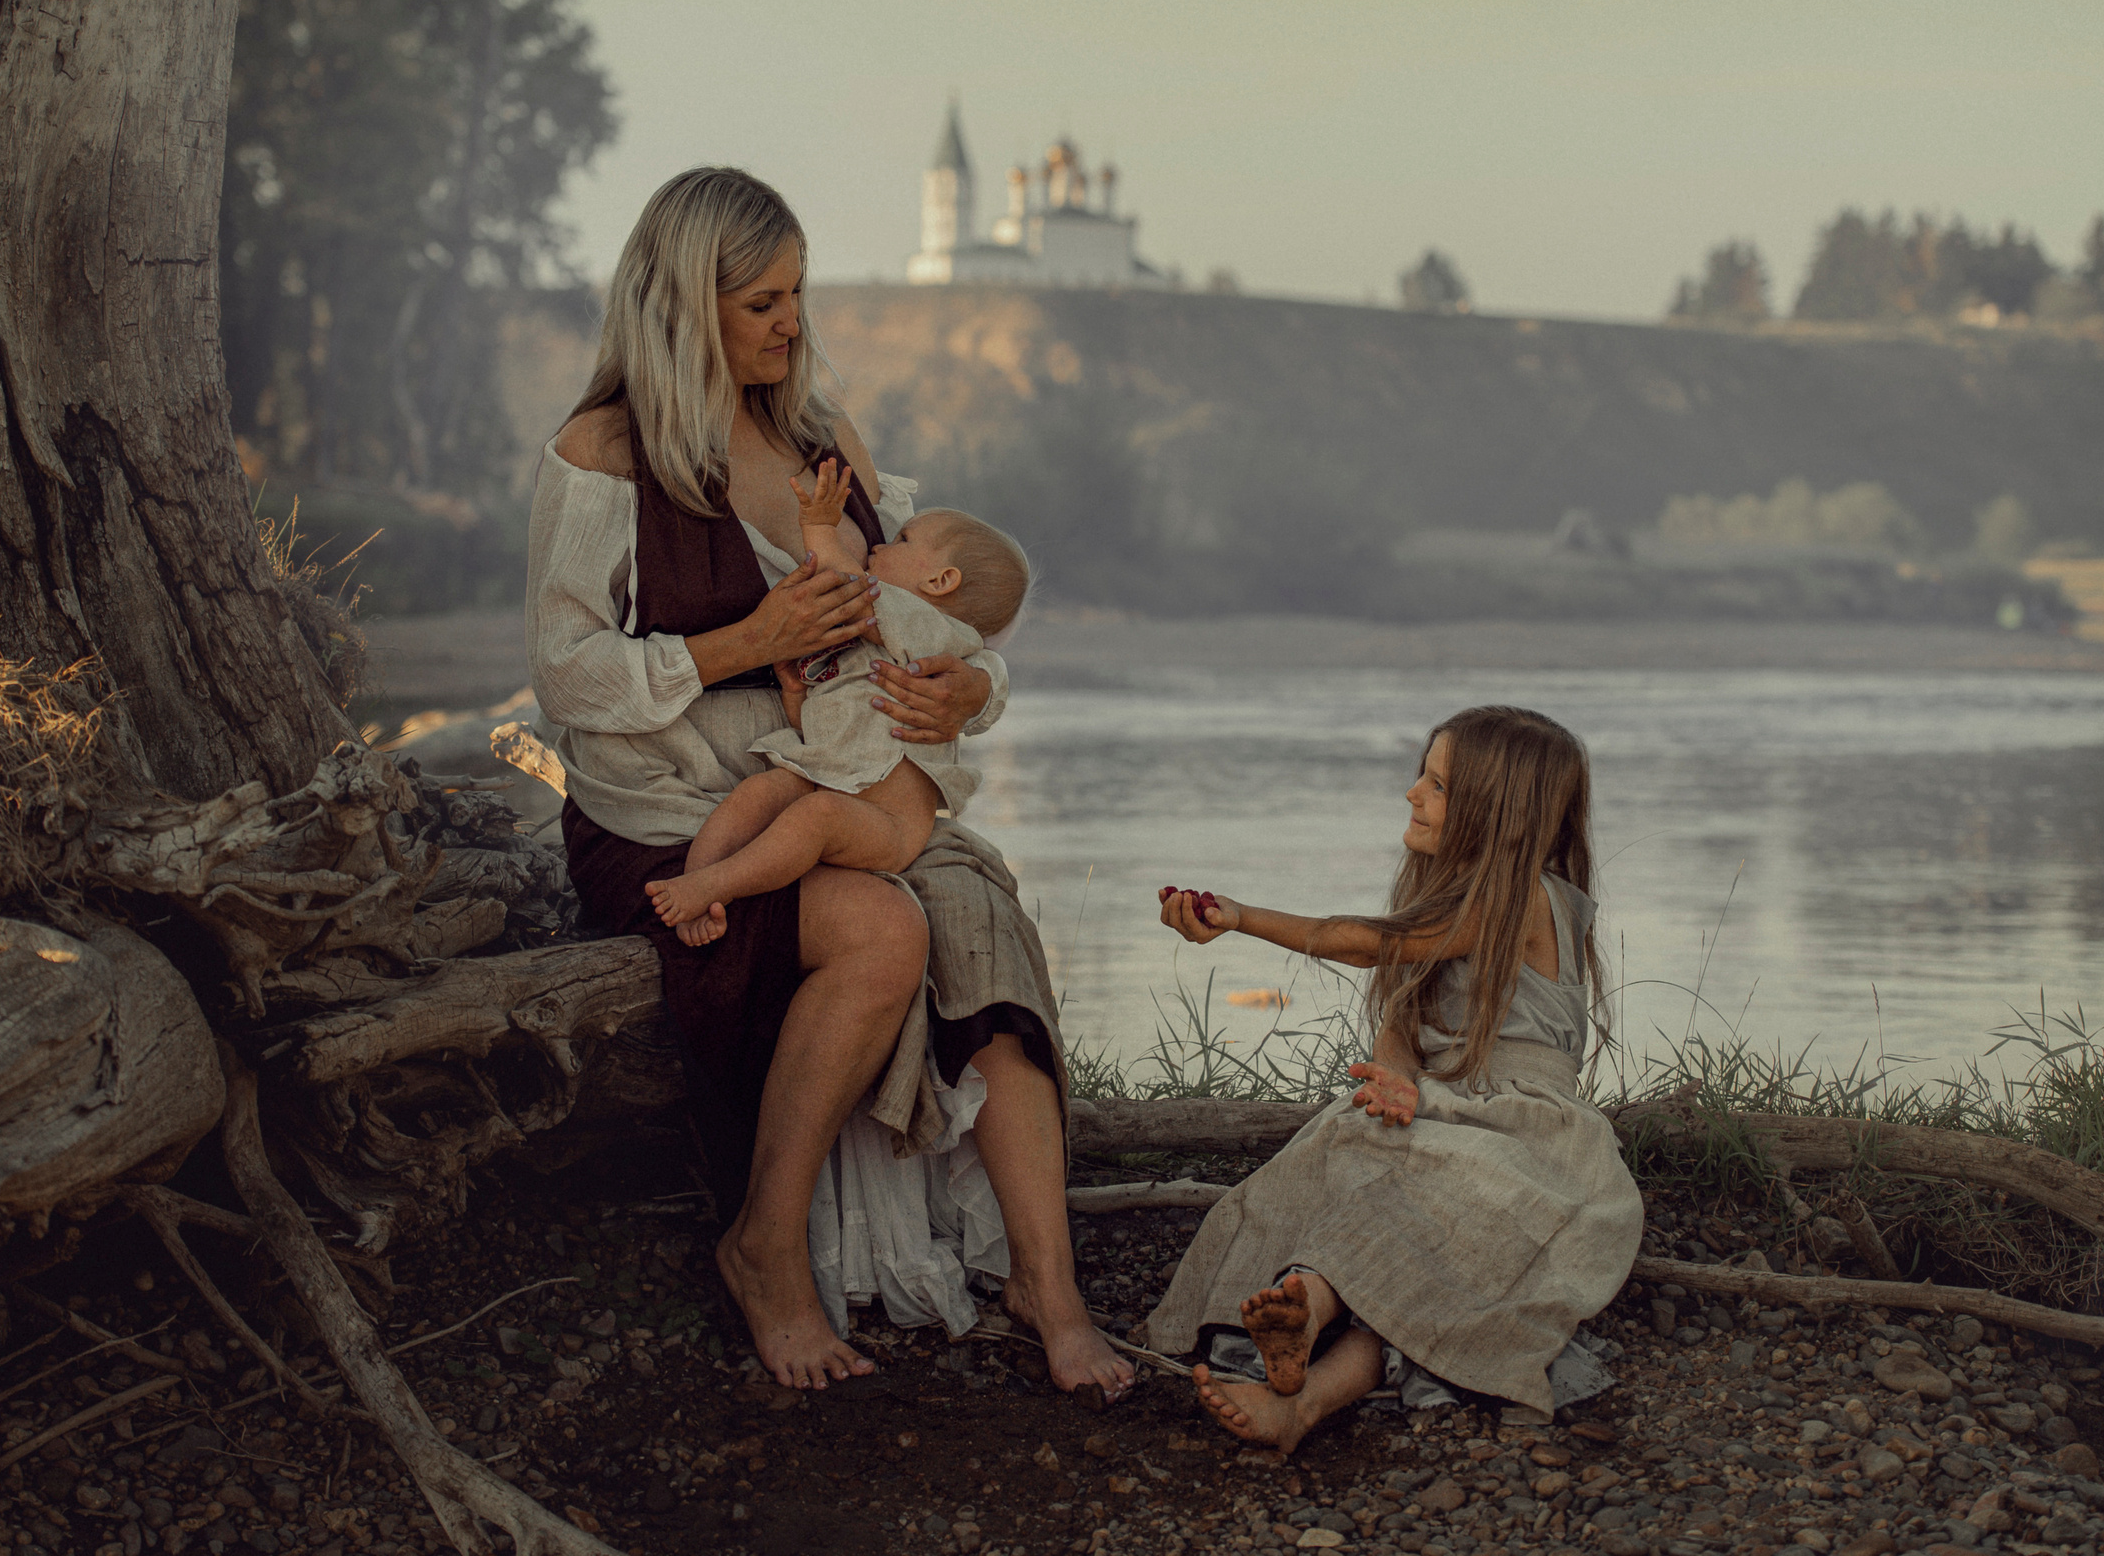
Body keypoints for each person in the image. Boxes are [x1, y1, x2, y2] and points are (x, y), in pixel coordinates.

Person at [528, 166, 1128, 1400]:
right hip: (674, 813)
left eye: (796, 293)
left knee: (982, 920)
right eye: (760, 301)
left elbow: (946, 622)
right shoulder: (602, 454)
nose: (789, 323)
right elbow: (567, 679)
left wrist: (970, 699)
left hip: (853, 778)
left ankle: (1047, 1287)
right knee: (881, 928)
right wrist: (750, 643)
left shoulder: (822, 442)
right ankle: (767, 1248)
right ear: (684, 303)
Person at [1143, 705, 1642, 1453]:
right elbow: (1403, 1025)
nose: (1413, 794)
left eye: (1436, 785)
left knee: (1416, 1236)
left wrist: (1241, 916)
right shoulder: (1451, 903)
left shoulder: (1528, 896)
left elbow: (1365, 945)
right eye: (1423, 776)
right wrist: (1396, 1078)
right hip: (1444, 1106)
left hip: (1527, 1132)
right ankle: (1299, 1342)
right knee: (1356, 1192)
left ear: (1495, 814)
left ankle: (1304, 1355)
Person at [644, 458, 1031, 945]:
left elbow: (853, 591)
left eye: (903, 541)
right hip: (832, 780)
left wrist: (819, 527)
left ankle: (718, 884)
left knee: (815, 819)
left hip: (887, 824)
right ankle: (700, 883)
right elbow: (836, 726)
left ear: (940, 582)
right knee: (760, 794)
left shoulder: (935, 632)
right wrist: (796, 697)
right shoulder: (880, 643)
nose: (880, 545)